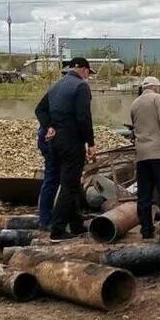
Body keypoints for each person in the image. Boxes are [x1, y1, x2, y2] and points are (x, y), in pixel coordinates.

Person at [35, 57, 96, 241]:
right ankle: (58, 229)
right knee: (69, 186)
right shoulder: (81, 87)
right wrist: (90, 143)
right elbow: (83, 117)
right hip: (71, 142)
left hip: (55, 142)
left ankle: (76, 224)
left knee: (71, 183)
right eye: (88, 73)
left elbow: (40, 110)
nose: (88, 76)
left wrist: (49, 126)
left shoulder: (57, 86)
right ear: (84, 70)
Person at [130, 76, 160, 241]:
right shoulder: (159, 99)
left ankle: (146, 230)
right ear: (156, 87)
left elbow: (134, 129)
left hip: (142, 155)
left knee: (144, 194)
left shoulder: (135, 104)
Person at [34, 95, 60, 230]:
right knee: (52, 178)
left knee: (53, 178)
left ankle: (49, 216)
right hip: (49, 140)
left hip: (49, 138)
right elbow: (39, 110)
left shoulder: (57, 91)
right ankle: (45, 219)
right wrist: (49, 127)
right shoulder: (56, 93)